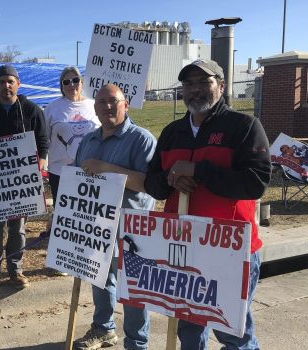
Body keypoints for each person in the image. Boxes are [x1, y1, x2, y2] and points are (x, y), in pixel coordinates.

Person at [144, 59, 271, 350]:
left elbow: (255, 182)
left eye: (204, 82)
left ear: (221, 87)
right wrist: (171, 179)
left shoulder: (244, 126)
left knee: (232, 332)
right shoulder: (172, 132)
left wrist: (198, 170)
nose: (195, 90)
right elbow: (153, 184)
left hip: (230, 250)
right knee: (188, 327)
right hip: (184, 248)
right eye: (189, 84)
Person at [73, 84, 155, 350]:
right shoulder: (88, 140)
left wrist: (105, 169)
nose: (107, 106)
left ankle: (136, 343)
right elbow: (77, 180)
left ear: (126, 104)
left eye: (113, 101)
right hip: (97, 226)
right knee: (99, 278)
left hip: (132, 227)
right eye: (101, 102)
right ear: (94, 107)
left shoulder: (142, 139)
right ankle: (104, 329)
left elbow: (148, 184)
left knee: (133, 289)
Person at [0, 65, 49, 294]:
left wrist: (41, 162)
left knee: (18, 229)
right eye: (2, 82)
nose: (6, 86)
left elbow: (43, 141)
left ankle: (16, 270)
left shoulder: (32, 110)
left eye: (10, 81)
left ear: (18, 84)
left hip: (22, 182)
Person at [44, 66, 100, 202]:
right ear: (61, 86)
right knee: (63, 210)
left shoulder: (95, 105)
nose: (71, 84)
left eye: (75, 80)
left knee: (87, 209)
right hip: (59, 171)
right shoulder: (52, 108)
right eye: (66, 82)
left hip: (91, 170)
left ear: (82, 82)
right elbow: (44, 138)